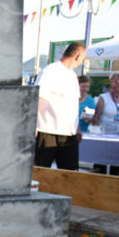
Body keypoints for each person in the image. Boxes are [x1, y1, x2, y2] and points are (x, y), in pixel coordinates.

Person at [35, 41, 87, 171]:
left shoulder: (73, 75)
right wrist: (33, 127)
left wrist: (78, 128)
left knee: (70, 174)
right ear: (78, 56)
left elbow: (73, 105)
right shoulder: (50, 71)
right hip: (47, 131)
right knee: (41, 172)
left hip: (69, 133)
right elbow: (35, 99)